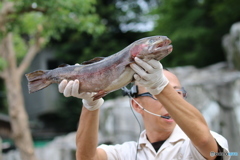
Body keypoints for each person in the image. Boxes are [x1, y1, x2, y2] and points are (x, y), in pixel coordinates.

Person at [58, 57, 230, 160]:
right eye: (157, 94)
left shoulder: (203, 142)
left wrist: (160, 86)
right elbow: (86, 158)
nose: (169, 100)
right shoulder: (126, 153)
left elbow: (204, 142)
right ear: (136, 105)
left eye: (176, 93)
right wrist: (90, 105)